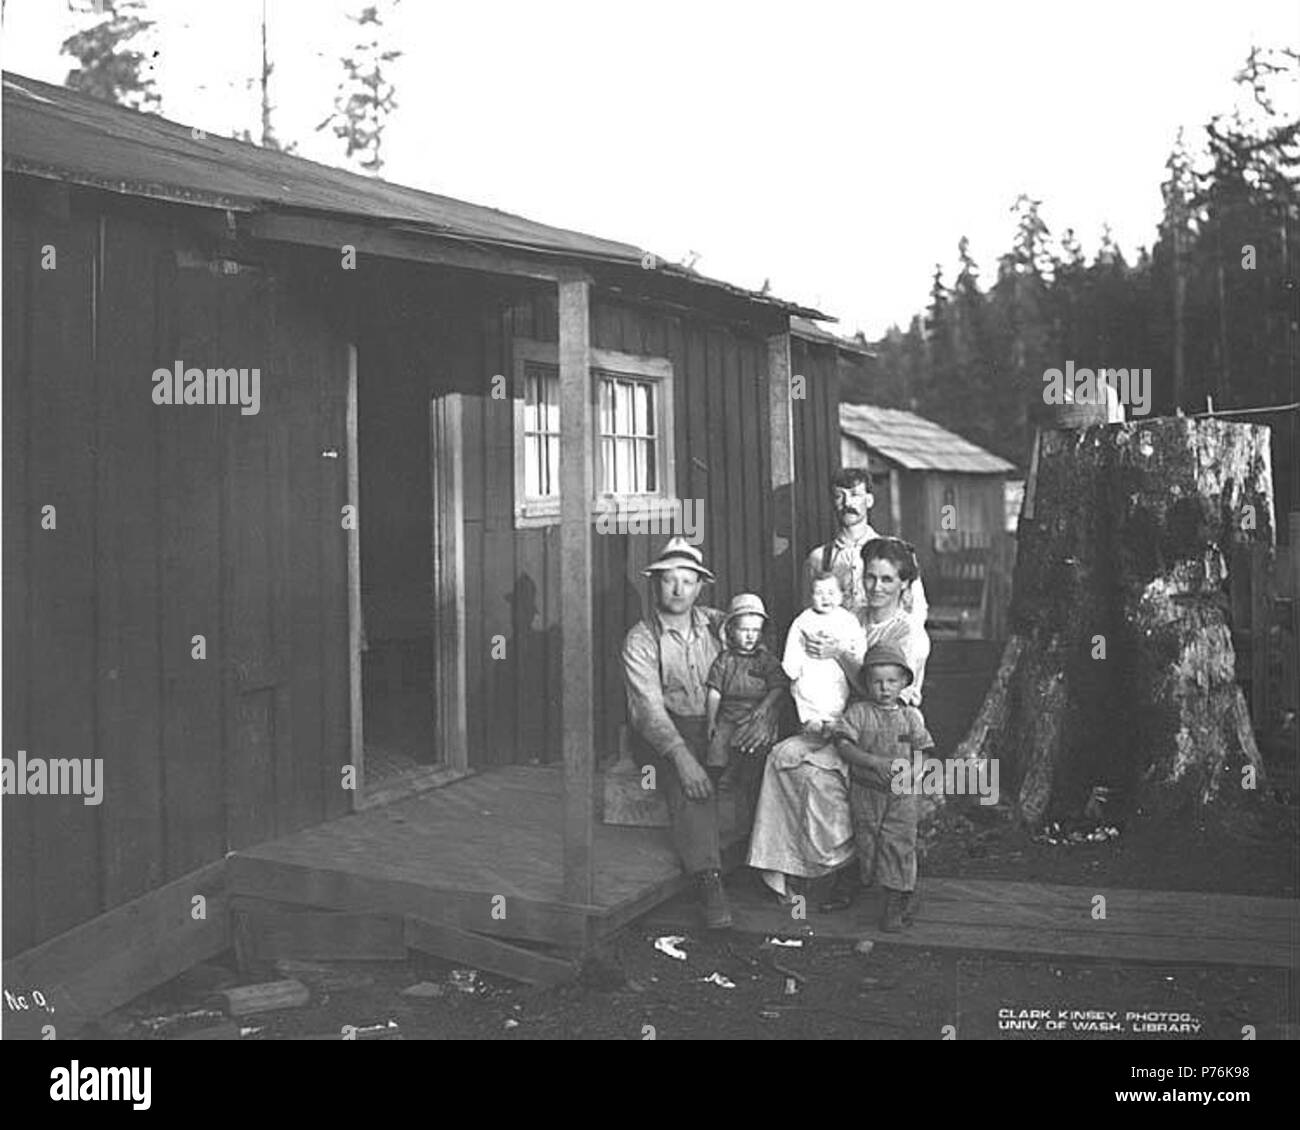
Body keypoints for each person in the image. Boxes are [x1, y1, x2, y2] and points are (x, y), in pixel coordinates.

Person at [748, 536, 931, 905]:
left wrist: (841, 655)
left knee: (822, 778)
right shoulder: (846, 617)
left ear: (904, 585)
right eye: (870, 578)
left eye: (887, 580)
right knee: (781, 758)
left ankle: (846, 868)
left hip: (884, 730)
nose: (875, 587)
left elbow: (885, 693)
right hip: (835, 721)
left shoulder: (908, 632)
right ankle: (785, 870)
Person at [622, 538, 781, 929]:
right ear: (655, 584)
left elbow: (761, 659)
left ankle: (771, 870)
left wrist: (765, 715)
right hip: (665, 733)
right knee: (691, 782)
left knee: (768, 758)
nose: (678, 590)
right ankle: (709, 881)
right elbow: (648, 712)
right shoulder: (641, 639)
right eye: (669, 581)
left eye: (688, 581)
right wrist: (682, 757)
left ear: (701, 586)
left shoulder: (719, 624)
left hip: (719, 723)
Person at [826, 644, 935, 930]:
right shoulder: (859, 712)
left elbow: (922, 749)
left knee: (898, 842)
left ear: (903, 683)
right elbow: (843, 745)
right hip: (866, 790)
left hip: (902, 793)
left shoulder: (910, 716)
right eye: (877, 682)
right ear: (867, 684)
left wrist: (916, 775)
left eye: (891, 682)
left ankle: (896, 902)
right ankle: (868, 886)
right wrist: (872, 762)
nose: (884, 688)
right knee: (868, 840)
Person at [805, 467, 928, 628]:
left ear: (869, 500)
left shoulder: (897, 552)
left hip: (884, 645)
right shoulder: (819, 558)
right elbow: (809, 616)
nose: (847, 502)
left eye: (855, 495)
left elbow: (916, 610)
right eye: (839, 496)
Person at [704, 593, 788, 771]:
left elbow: (778, 686)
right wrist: (711, 720)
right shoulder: (724, 660)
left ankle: (745, 784)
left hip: (756, 714)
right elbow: (715, 692)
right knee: (717, 749)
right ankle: (720, 784)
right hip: (728, 716)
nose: (750, 636)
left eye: (756, 631)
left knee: (753, 752)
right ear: (731, 630)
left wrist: (764, 707)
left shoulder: (765, 660)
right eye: (744, 630)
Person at [782, 571, 866, 738]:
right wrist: (793, 668)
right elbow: (793, 646)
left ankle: (833, 723)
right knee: (808, 692)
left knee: (835, 694)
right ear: (811, 596)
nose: (825, 598)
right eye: (819, 593)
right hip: (810, 669)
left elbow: (857, 645)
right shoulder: (803, 620)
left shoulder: (847, 620)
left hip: (835, 670)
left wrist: (849, 652)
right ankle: (811, 721)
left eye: (831, 593)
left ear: (842, 595)